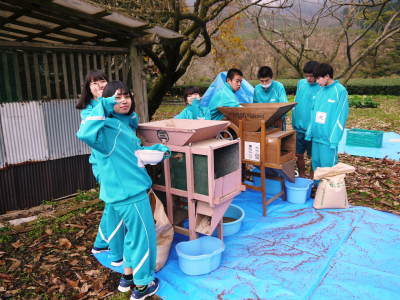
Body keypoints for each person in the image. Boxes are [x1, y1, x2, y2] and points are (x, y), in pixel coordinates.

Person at [77, 81, 169, 299]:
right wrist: (104, 105)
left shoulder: (121, 125)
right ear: (107, 101)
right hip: (129, 194)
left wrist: (156, 150)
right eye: (117, 97)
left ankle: (127, 276)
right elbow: (84, 133)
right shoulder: (105, 128)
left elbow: (132, 152)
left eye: (126, 96)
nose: (123, 100)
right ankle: (143, 286)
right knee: (144, 238)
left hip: (125, 191)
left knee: (132, 236)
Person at [76, 71, 126, 267]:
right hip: (105, 165)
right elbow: (89, 134)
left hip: (121, 163)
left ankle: (100, 244)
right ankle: (117, 255)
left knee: (111, 206)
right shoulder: (88, 111)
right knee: (115, 206)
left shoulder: (115, 103)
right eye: (94, 83)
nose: (99, 85)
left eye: (102, 80)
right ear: (88, 89)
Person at [305, 63, 349, 171]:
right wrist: (309, 132)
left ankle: (329, 188)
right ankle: (318, 187)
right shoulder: (320, 91)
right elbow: (313, 113)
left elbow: (341, 117)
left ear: (327, 76)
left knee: (328, 168)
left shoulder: (340, 91)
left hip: (328, 140)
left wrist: (334, 139)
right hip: (316, 137)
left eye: (319, 78)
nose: (317, 81)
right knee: (316, 165)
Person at [292, 61, 320, 178]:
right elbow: (297, 101)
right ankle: (302, 177)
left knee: (314, 157)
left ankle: (313, 180)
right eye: (306, 76)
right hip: (299, 128)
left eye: (311, 76)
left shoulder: (321, 87)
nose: (308, 79)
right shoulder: (301, 83)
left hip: (313, 131)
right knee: (298, 154)